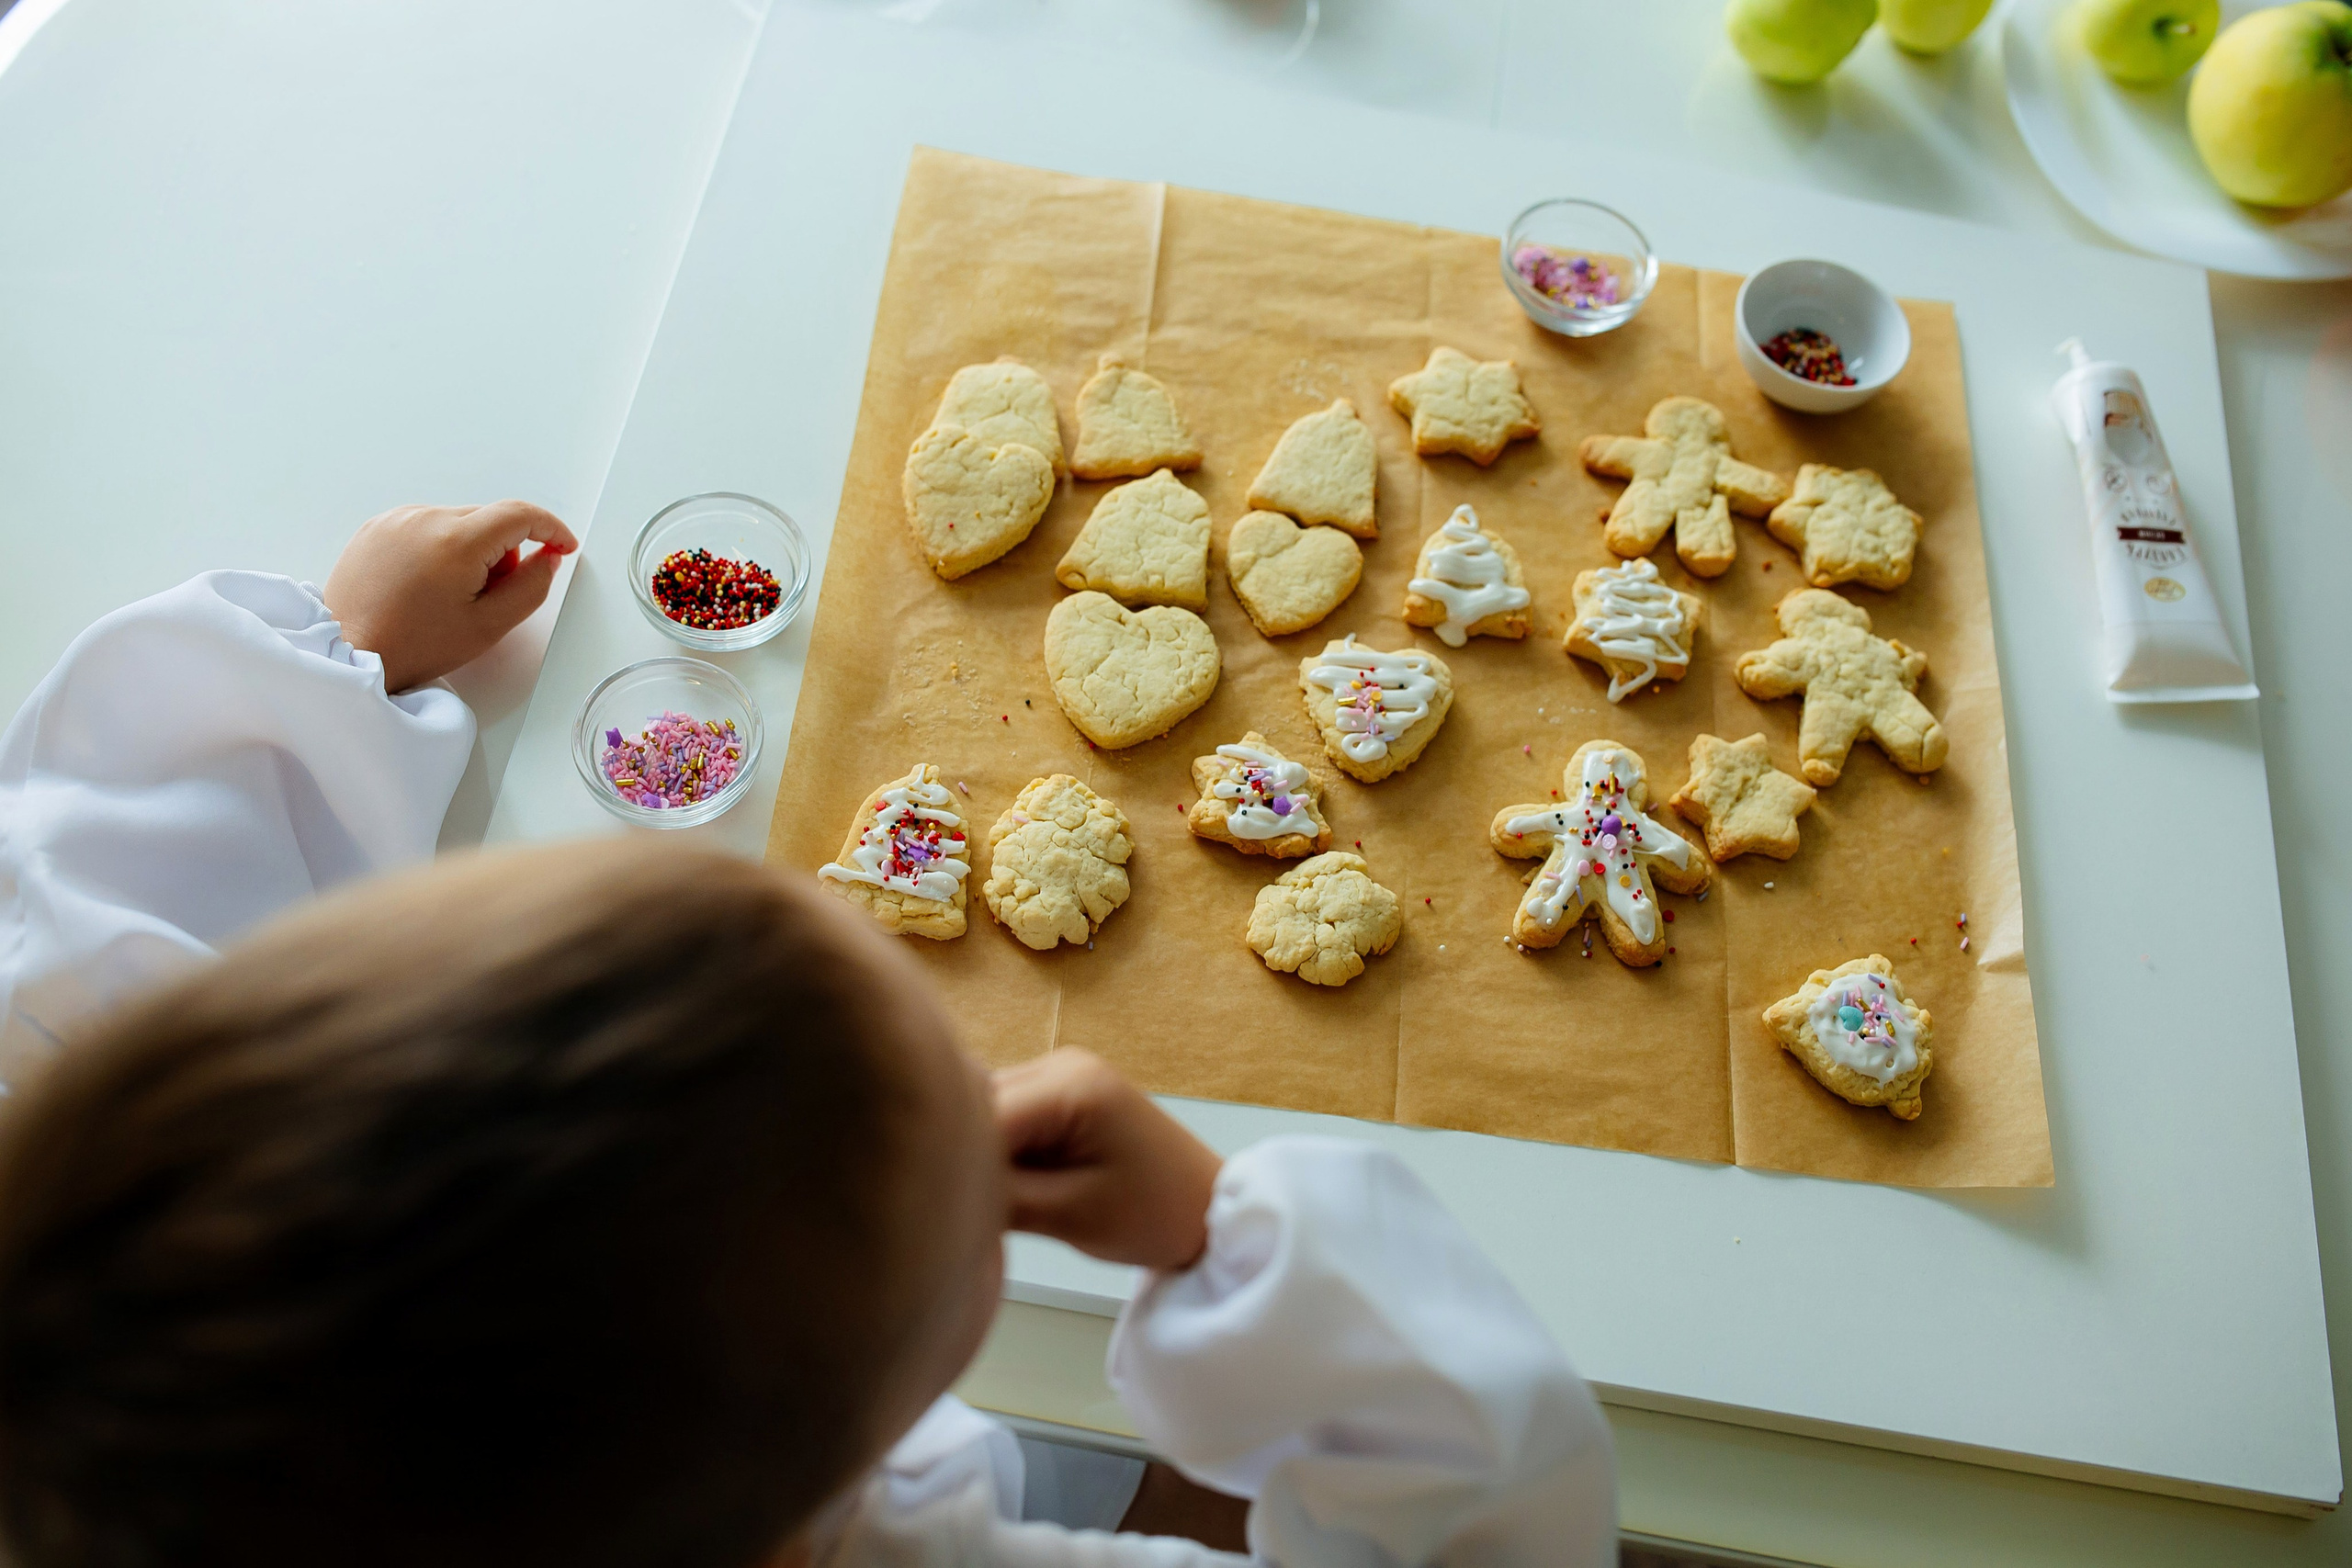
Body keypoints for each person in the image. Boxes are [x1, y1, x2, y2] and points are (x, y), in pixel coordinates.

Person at [0, 505, 1618, 1568]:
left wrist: (339, 664)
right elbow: (1509, 1538)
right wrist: (1233, 1239)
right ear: (895, 1390)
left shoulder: (125, 1198)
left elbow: (83, 885)